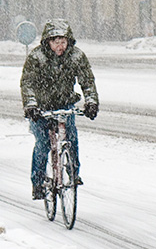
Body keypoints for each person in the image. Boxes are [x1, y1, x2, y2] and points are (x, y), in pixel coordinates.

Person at [20, 20, 98, 200]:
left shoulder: (76, 56)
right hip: (41, 108)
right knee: (43, 144)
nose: (60, 46)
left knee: (71, 137)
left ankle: (73, 172)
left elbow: (87, 81)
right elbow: (28, 83)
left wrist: (91, 101)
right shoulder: (36, 57)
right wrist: (31, 105)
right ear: (47, 41)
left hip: (64, 104)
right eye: (56, 42)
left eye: (63, 41)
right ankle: (38, 182)